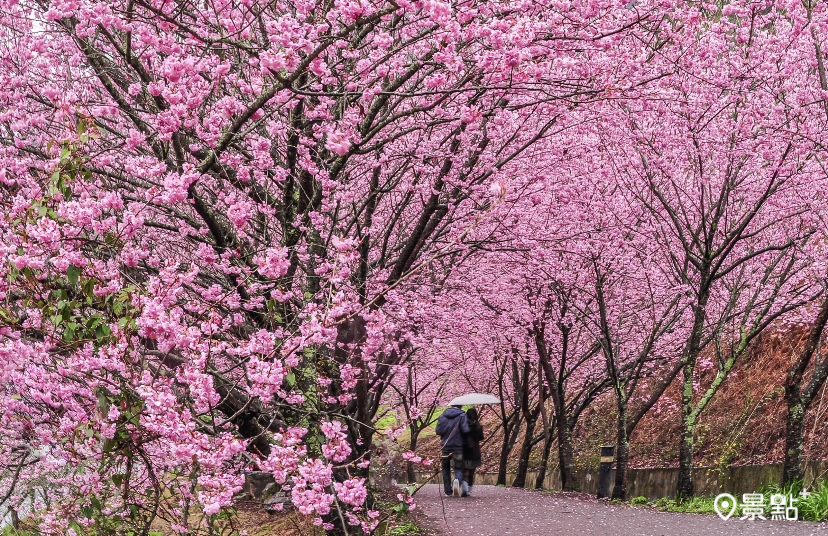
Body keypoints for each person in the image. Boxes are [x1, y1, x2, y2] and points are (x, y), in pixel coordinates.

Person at [435, 405, 469, 497]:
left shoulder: (442, 416)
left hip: (445, 447)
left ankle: (448, 491)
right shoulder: (462, 416)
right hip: (458, 447)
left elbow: (438, 431)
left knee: (445, 468)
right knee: (458, 467)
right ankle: (457, 481)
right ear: (461, 406)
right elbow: (466, 430)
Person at [462, 407, 484, 497]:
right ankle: (469, 490)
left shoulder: (464, 426)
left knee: (464, 471)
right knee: (471, 472)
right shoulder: (478, 426)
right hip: (475, 451)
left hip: (465, 451)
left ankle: (465, 488)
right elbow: (481, 438)